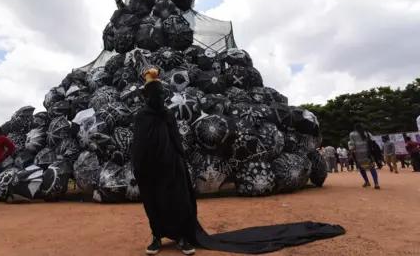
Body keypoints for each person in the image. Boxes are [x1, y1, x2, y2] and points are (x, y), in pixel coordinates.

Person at [133, 65, 345, 255]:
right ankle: (157, 236)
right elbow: (140, 144)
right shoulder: (142, 116)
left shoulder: (168, 115)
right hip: (151, 169)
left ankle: (181, 236)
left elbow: (176, 139)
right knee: (155, 202)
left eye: (160, 94)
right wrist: (140, 167)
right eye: (155, 95)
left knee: (179, 201)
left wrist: (178, 160)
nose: (158, 98)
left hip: (173, 166)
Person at [349, 123, 380, 189]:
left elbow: (352, 144)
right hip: (368, 153)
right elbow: (373, 141)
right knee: (372, 167)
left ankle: (367, 182)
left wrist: (352, 151)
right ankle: (376, 183)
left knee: (361, 168)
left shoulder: (352, 134)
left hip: (358, 153)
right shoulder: (367, 133)